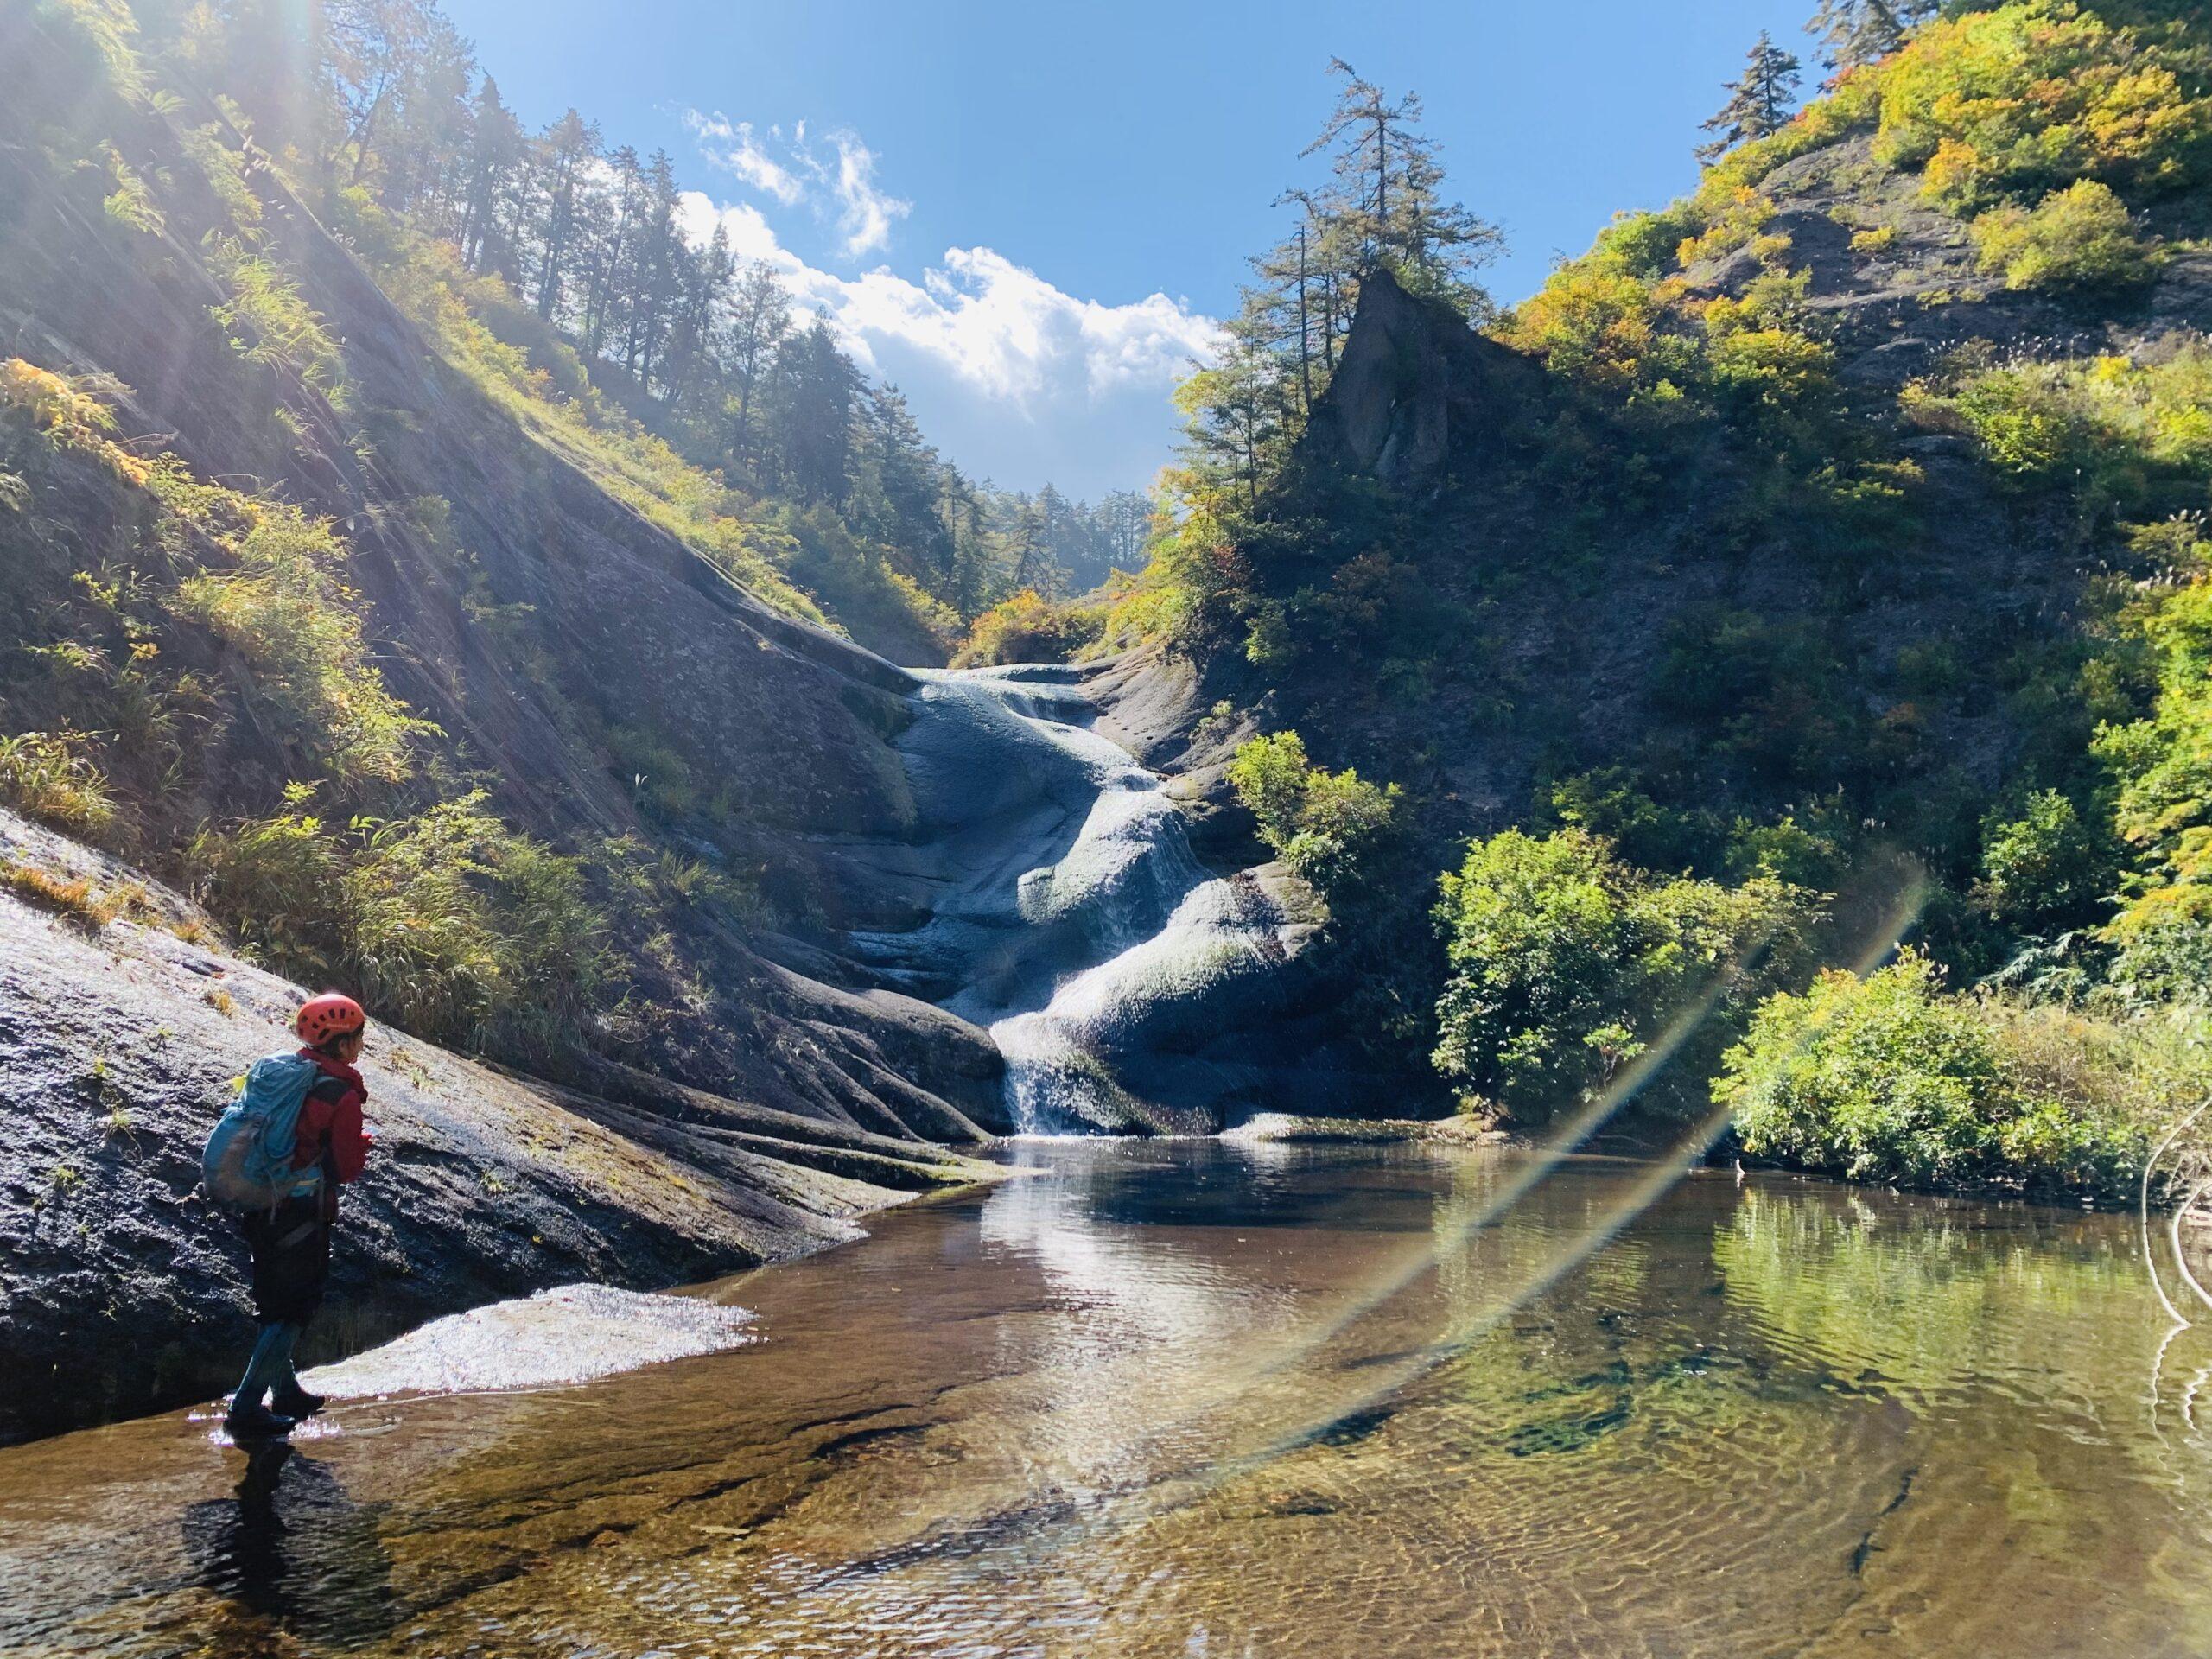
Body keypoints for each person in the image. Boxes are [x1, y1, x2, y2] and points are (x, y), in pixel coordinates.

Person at [224, 994, 373, 1440]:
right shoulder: (339, 1092)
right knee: (291, 1310)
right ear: (344, 1044)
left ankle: (286, 1392)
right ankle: (246, 1408)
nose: (362, 1044)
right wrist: (361, 1143)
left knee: (276, 1299)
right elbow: (346, 1168)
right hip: (301, 1213)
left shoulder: (288, 1073)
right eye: (359, 1036)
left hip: (260, 1202)